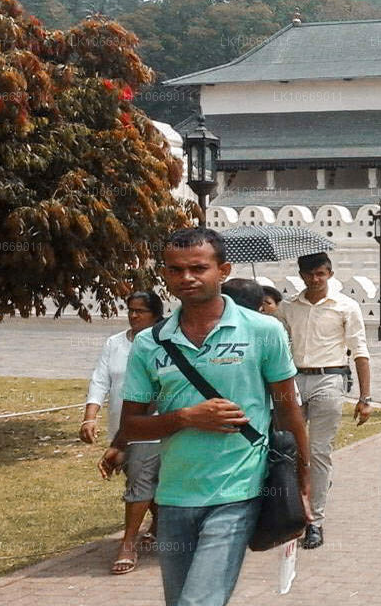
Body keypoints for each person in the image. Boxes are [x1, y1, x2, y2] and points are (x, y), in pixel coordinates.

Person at [119, 228, 311, 606]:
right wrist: (186, 418)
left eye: (198, 268)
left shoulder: (263, 331)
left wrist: (303, 485)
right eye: (175, 270)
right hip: (174, 495)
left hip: (237, 491)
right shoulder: (150, 343)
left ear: (222, 270)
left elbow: (289, 411)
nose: (186, 278)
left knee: (199, 602)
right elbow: (130, 426)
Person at [278, 252, 373, 549]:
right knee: (287, 448)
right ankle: (291, 510)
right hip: (292, 380)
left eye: (321, 274)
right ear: (301, 275)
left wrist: (365, 397)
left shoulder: (346, 306)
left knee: (318, 452)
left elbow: (360, 351)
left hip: (329, 379)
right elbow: (276, 346)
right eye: (309, 274)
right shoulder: (288, 307)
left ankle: (314, 521)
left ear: (330, 274)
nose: (315, 279)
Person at [81, 291, 164, 575]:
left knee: (140, 483)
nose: (133, 315)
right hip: (121, 425)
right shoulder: (114, 343)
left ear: (155, 314)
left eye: (141, 311)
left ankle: (127, 544)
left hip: (151, 427)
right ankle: (160, 525)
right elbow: (100, 379)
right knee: (140, 480)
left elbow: (155, 392)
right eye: (130, 310)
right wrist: (89, 418)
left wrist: (126, 436)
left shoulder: (163, 342)